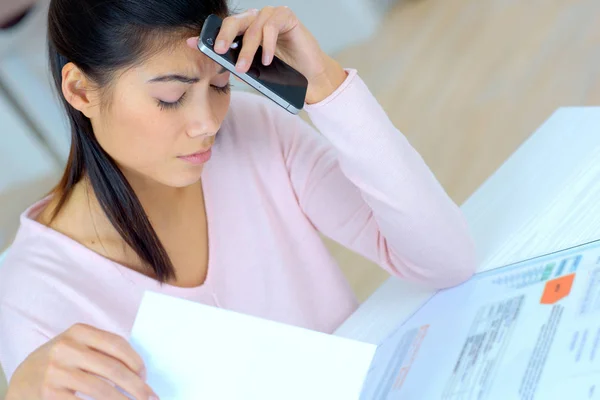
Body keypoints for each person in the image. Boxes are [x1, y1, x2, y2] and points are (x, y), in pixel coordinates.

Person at [0, 0, 476, 398]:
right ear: (80, 90)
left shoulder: (253, 131)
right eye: (170, 97)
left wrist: (326, 83)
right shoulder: (34, 295)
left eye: (220, 85)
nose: (207, 122)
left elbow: (444, 261)